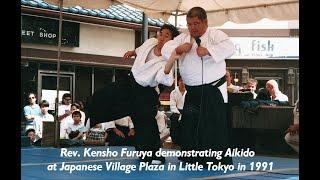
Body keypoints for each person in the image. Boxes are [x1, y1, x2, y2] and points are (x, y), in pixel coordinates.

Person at [88, 23, 180, 164]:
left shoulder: (167, 59)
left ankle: (152, 155)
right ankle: (90, 115)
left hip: (146, 93)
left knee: (145, 123)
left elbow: (165, 79)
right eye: (161, 33)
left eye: (167, 35)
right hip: (130, 82)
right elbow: (140, 50)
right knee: (106, 94)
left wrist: (172, 58)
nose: (162, 37)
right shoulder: (150, 42)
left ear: (172, 41)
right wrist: (132, 52)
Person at [162, 7, 235, 165]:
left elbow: (230, 47)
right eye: (189, 24)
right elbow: (165, 48)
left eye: (196, 23)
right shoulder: (183, 38)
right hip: (193, 91)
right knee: (190, 125)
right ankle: (192, 157)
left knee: (212, 127)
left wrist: (209, 51)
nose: (192, 27)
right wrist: (178, 49)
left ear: (205, 22)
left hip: (213, 90)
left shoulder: (215, 35)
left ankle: (214, 160)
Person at [169, 75, 186, 145]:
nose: (182, 82)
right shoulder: (173, 93)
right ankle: (175, 139)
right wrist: (179, 114)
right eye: (181, 80)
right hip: (176, 111)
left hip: (186, 111)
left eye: (184, 81)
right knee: (174, 117)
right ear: (178, 82)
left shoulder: (189, 92)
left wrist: (184, 113)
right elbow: (172, 106)